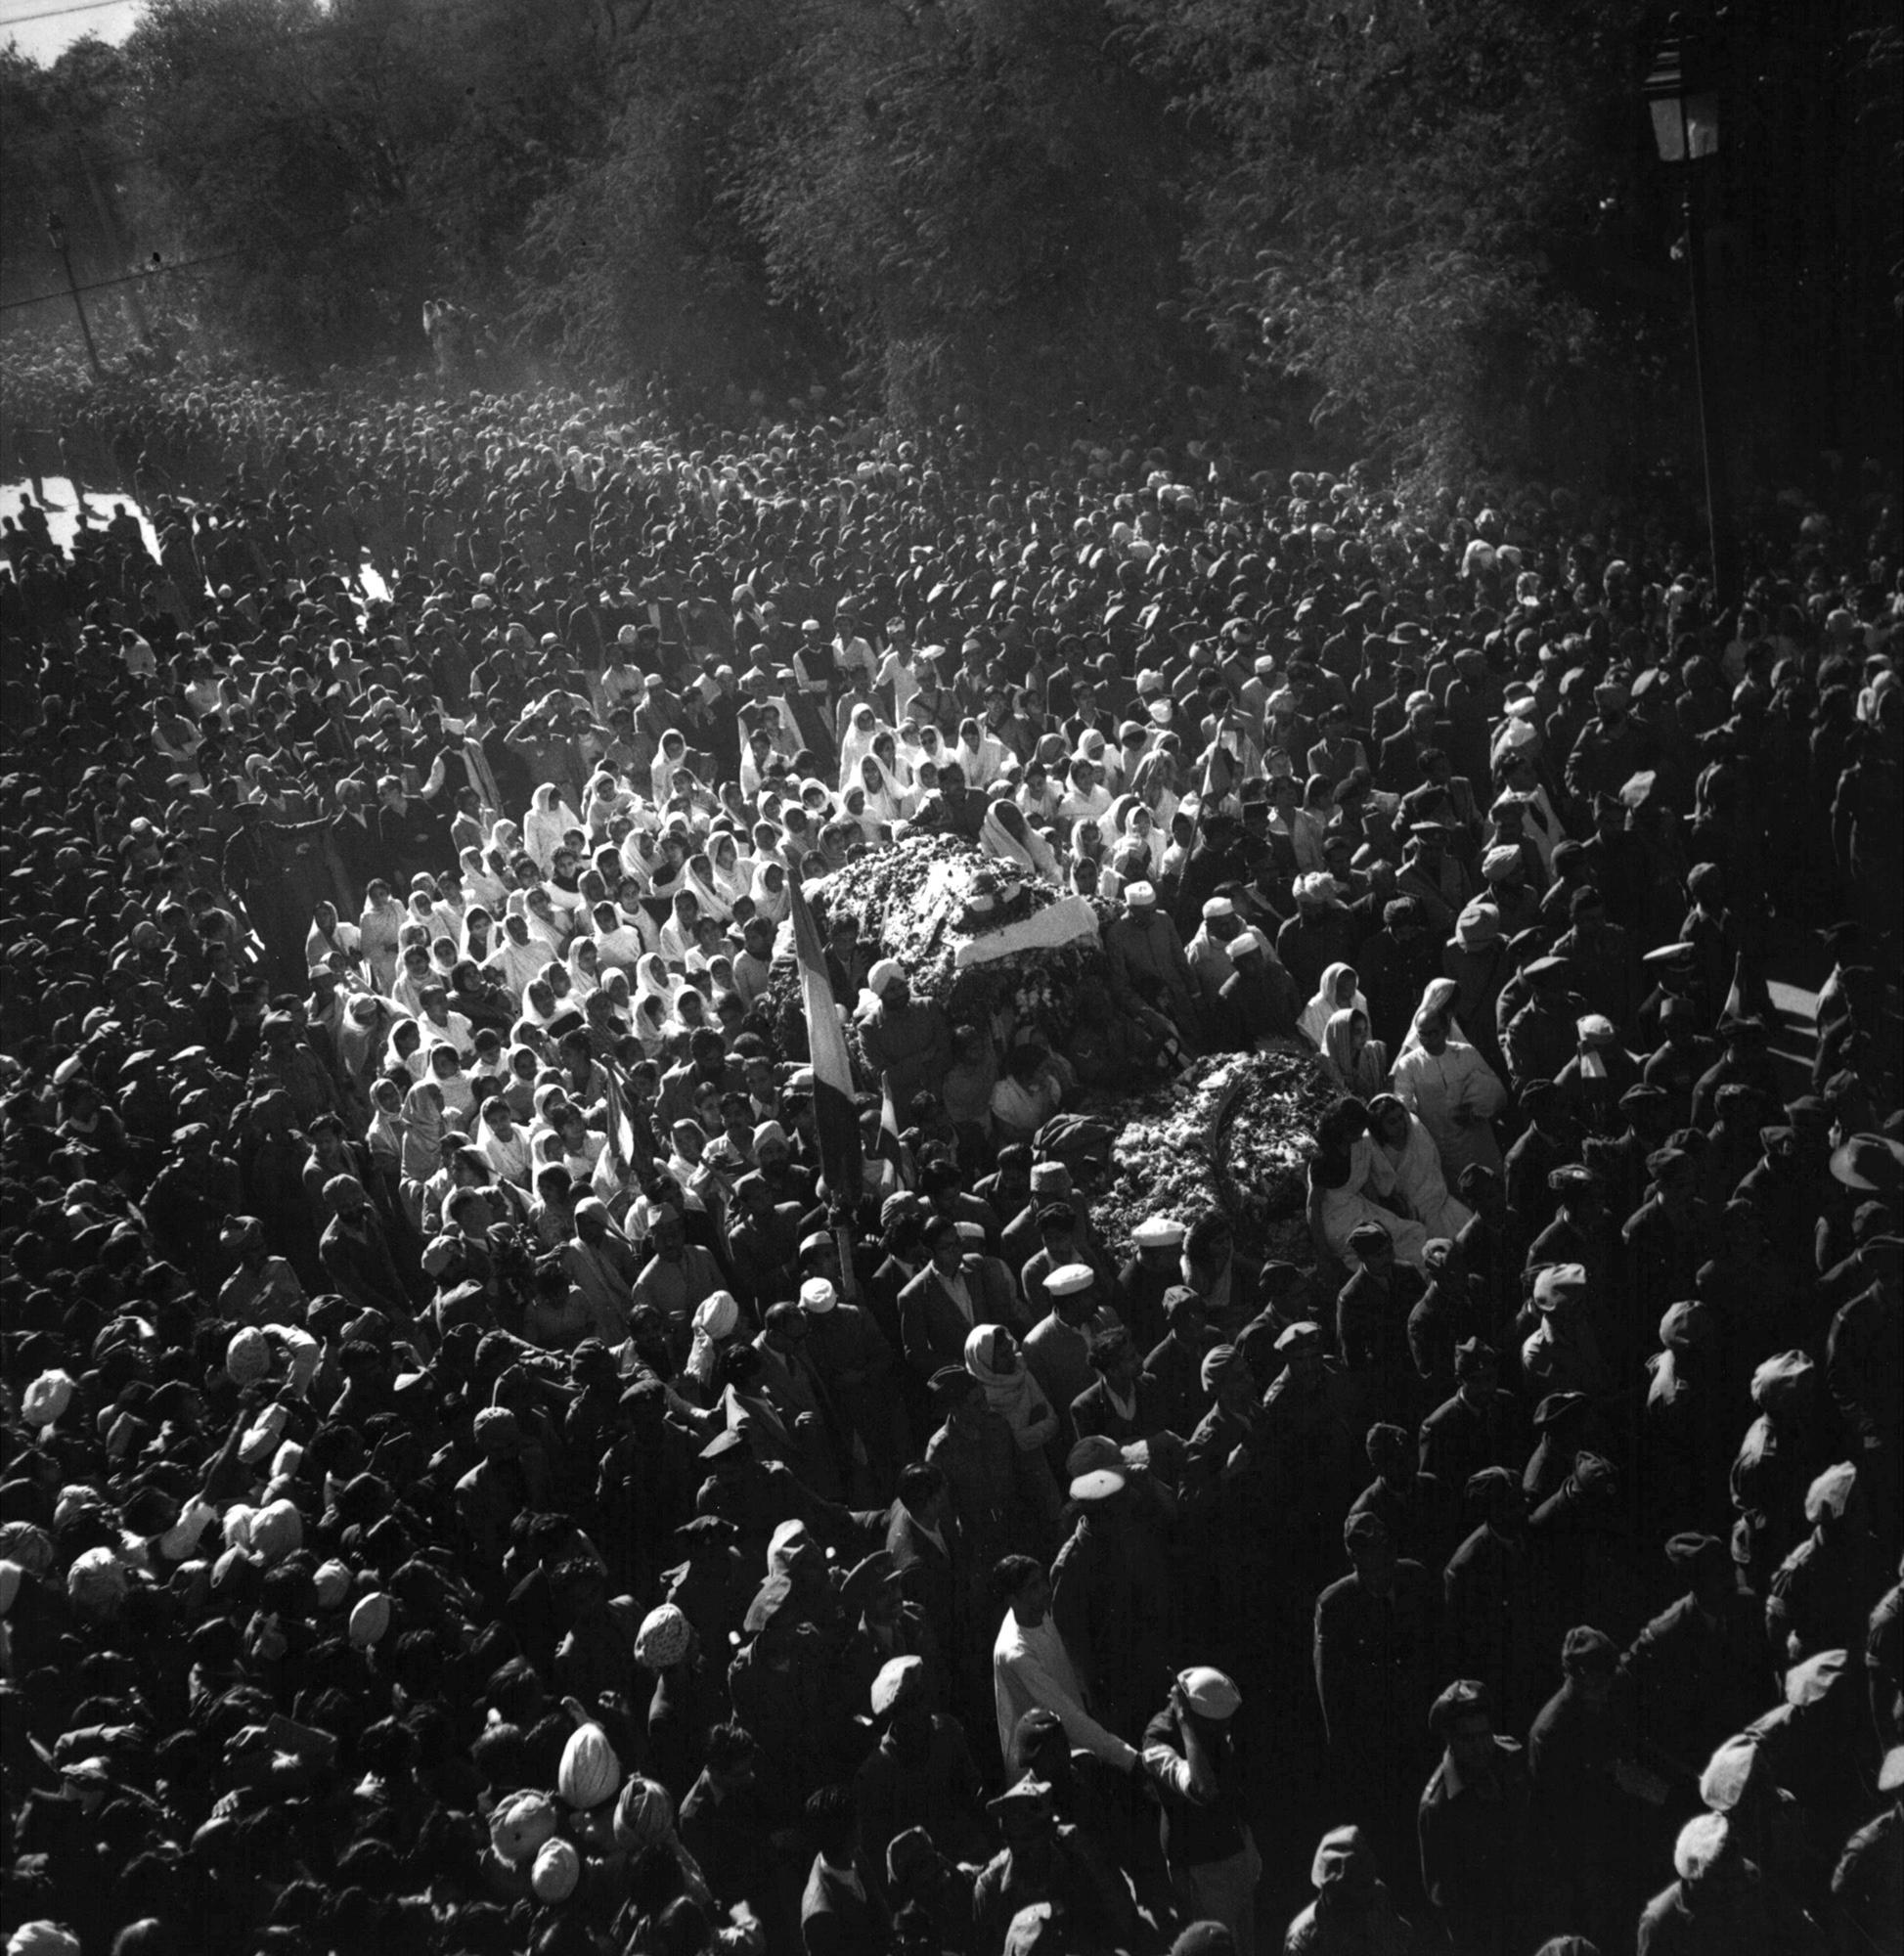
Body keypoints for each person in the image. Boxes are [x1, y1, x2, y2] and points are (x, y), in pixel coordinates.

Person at [1142, 1667, 1261, 1951]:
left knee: (1245, 1942)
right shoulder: (1158, 1743)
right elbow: (1202, 1788)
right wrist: (1185, 1724)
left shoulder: (1211, 1724)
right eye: (1219, 1726)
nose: (1226, 1732)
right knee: (1217, 1945)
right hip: (1203, 1867)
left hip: (1234, 1851)